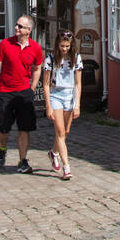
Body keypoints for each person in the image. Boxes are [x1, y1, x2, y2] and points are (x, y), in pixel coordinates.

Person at [0, 15, 43, 173]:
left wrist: (33, 87)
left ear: (28, 30)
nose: (16, 28)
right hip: (5, 91)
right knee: (3, 128)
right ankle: (2, 148)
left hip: (24, 92)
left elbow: (37, 68)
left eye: (20, 26)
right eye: (16, 25)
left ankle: (23, 160)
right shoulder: (5, 44)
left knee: (25, 128)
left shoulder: (36, 48)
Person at [42, 30, 82, 180]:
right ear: (57, 45)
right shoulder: (50, 59)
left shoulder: (76, 58)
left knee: (65, 132)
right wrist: (48, 106)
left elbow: (78, 84)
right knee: (59, 132)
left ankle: (54, 153)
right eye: (62, 46)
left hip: (70, 96)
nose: (64, 49)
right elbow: (45, 84)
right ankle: (66, 167)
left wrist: (77, 104)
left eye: (67, 46)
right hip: (55, 95)